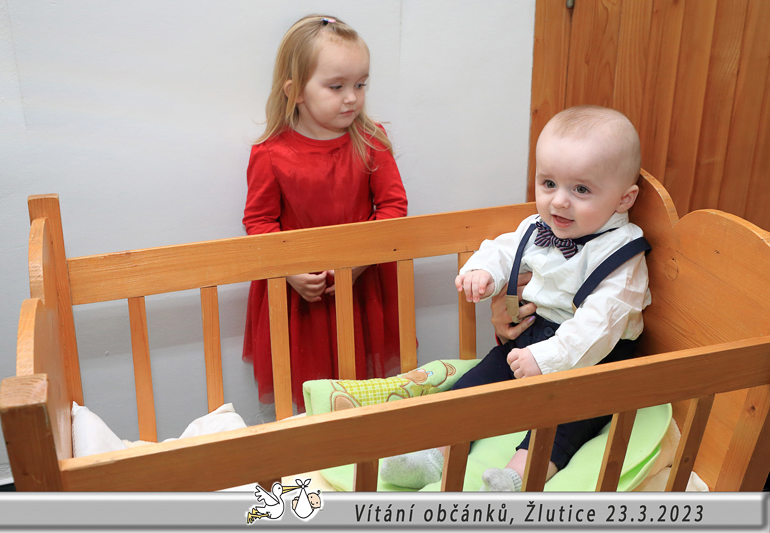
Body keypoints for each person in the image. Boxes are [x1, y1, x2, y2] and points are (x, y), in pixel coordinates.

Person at [380, 105, 651, 491]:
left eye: (581, 190)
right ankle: (430, 456)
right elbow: (504, 249)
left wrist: (547, 358)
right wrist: (484, 273)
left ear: (624, 199)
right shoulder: (539, 227)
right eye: (549, 183)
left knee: (565, 420)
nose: (559, 202)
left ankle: (516, 479)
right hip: (529, 337)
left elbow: (600, 324)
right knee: (474, 386)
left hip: (593, 358)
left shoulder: (623, 254)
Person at [242, 15, 408, 412]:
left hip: (361, 287)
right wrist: (290, 270)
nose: (351, 98)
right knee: (306, 397)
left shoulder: (371, 140)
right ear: (295, 91)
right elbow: (259, 222)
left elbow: (394, 208)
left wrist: (358, 262)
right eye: (336, 87)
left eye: (360, 85)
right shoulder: (270, 153)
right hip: (301, 298)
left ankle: (363, 447)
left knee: (362, 391)